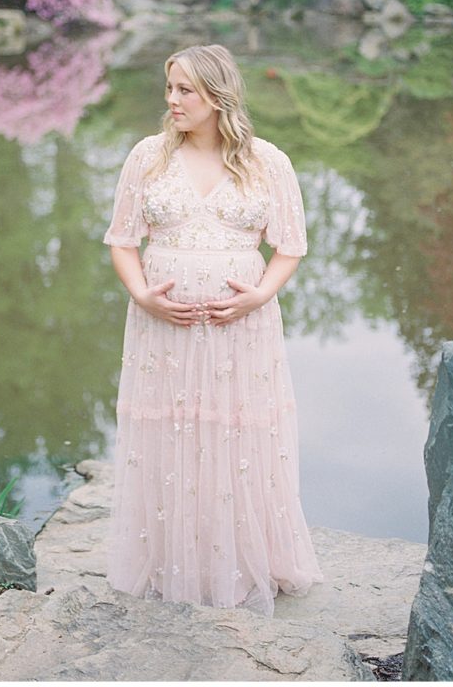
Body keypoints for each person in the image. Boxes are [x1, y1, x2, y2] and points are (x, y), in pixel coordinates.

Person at [102, 43, 323, 617]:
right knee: (171, 434)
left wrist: (260, 294)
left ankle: (243, 561)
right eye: (169, 88)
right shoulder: (147, 157)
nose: (171, 100)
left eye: (185, 90)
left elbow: (290, 247)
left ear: (217, 96)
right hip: (162, 331)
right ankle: (173, 562)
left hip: (241, 330)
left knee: (238, 438)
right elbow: (123, 241)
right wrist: (142, 296)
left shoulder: (266, 162)